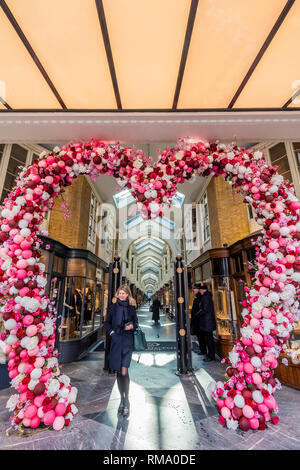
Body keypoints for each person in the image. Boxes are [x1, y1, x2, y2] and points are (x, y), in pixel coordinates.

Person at [105, 285, 138, 418]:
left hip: (127, 342)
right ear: (117, 294)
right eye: (120, 293)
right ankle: (121, 400)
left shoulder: (131, 308)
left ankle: (127, 400)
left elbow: (136, 322)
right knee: (119, 372)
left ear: (128, 295)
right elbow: (107, 323)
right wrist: (112, 332)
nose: (122, 295)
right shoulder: (113, 307)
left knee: (124, 371)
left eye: (124, 293)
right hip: (116, 341)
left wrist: (132, 326)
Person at [196, 284, 217, 362]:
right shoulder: (207, 296)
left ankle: (211, 356)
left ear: (203, 290)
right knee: (208, 339)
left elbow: (204, 309)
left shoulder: (206, 297)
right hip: (207, 321)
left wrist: (197, 314)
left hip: (207, 322)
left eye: (200, 290)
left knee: (209, 340)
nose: (200, 292)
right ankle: (210, 354)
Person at [190, 283, 202, 354]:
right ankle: (201, 349)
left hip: (198, 320)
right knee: (199, 336)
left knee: (200, 336)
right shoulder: (197, 297)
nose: (193, 290)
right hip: (196, 320)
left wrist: (196, 315)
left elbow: (200, 309)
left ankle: (202, 349)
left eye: (195, 288)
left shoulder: (199, 297)